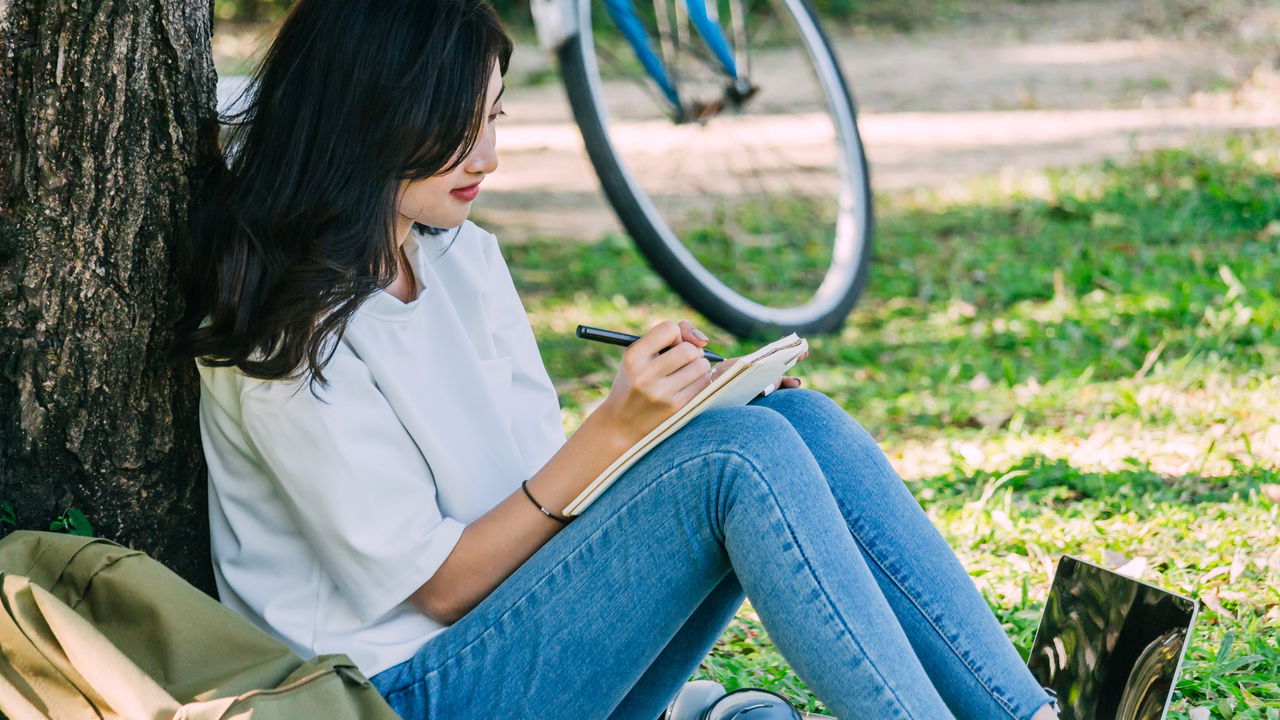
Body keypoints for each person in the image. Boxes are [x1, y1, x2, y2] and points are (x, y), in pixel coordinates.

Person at [175, 0, 1061, 718]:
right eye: (458, 129)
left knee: (792, 421)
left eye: (494, 118)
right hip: (400, 695)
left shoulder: (456, 254)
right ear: (368, 118)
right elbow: (440, 588)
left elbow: (532, 500)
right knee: (739, 458)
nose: (489, 157)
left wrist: (674, 420)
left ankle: (1027, 713)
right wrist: (615, 431)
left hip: (519, 643)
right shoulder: (282, 330)